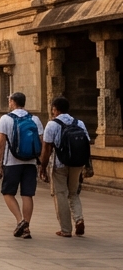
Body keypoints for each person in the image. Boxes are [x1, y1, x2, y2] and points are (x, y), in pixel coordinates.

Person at [0, 91, 43, 239]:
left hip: (12, 162)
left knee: (8, 193)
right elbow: (41, 142)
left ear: (12, 102)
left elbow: (0, 143)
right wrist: (42, 164)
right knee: (27, 194)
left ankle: (20, 220)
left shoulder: (5, 119)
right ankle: (26, 227)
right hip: (30, 162)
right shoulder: (35, 119)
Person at [39, 95, 91, 238]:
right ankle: (79, 218)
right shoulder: (79, 123)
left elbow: (47, 148)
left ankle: (66, 229)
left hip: (59, 164)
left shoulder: (52, 124)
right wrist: (86, 164)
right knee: (73, 192)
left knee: (60, 194)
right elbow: (86, 143)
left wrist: (42, 167)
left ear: (55, 109)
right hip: (77, 163)